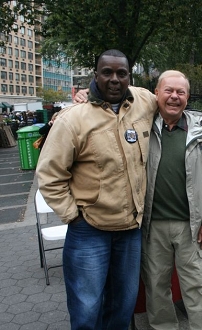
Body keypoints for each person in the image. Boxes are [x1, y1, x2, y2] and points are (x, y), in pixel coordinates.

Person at [36, 49, 159, 330]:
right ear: (96, 75)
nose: (114, 79)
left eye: (121, 73)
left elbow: (174, 102)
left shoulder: (143, 101)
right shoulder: (73, 119)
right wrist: (73, 215)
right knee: (87, 311)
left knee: (123, 306)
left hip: (130, 230)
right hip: (89, 232)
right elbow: (50, 175)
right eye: (107, 72)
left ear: (129, 76)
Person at [140, 70, 202, 330]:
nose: (174, 97)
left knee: (196, 288)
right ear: (156, 94)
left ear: (187, 97)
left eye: (181, 92)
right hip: (153, 227)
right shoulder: (142, 127)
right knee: (156, 288)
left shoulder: (200, 134)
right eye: (168, 91)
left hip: (191, 227)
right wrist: (85, 94)